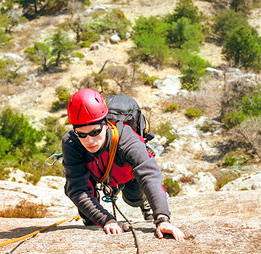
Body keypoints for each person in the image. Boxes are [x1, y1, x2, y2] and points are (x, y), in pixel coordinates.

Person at [62, 88, 185, 240]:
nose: (90, 141)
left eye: (95, 132)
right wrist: (106, 219)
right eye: (82, 134)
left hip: (127, 174)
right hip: (94, 174)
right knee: (89, 216)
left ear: (105, 124)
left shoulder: (126, 138)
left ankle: (144, 202)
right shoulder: (72, 142)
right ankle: (93, 217)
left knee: (134, 199)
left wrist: (162, 218)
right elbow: (77, 189)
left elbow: (149, 174)